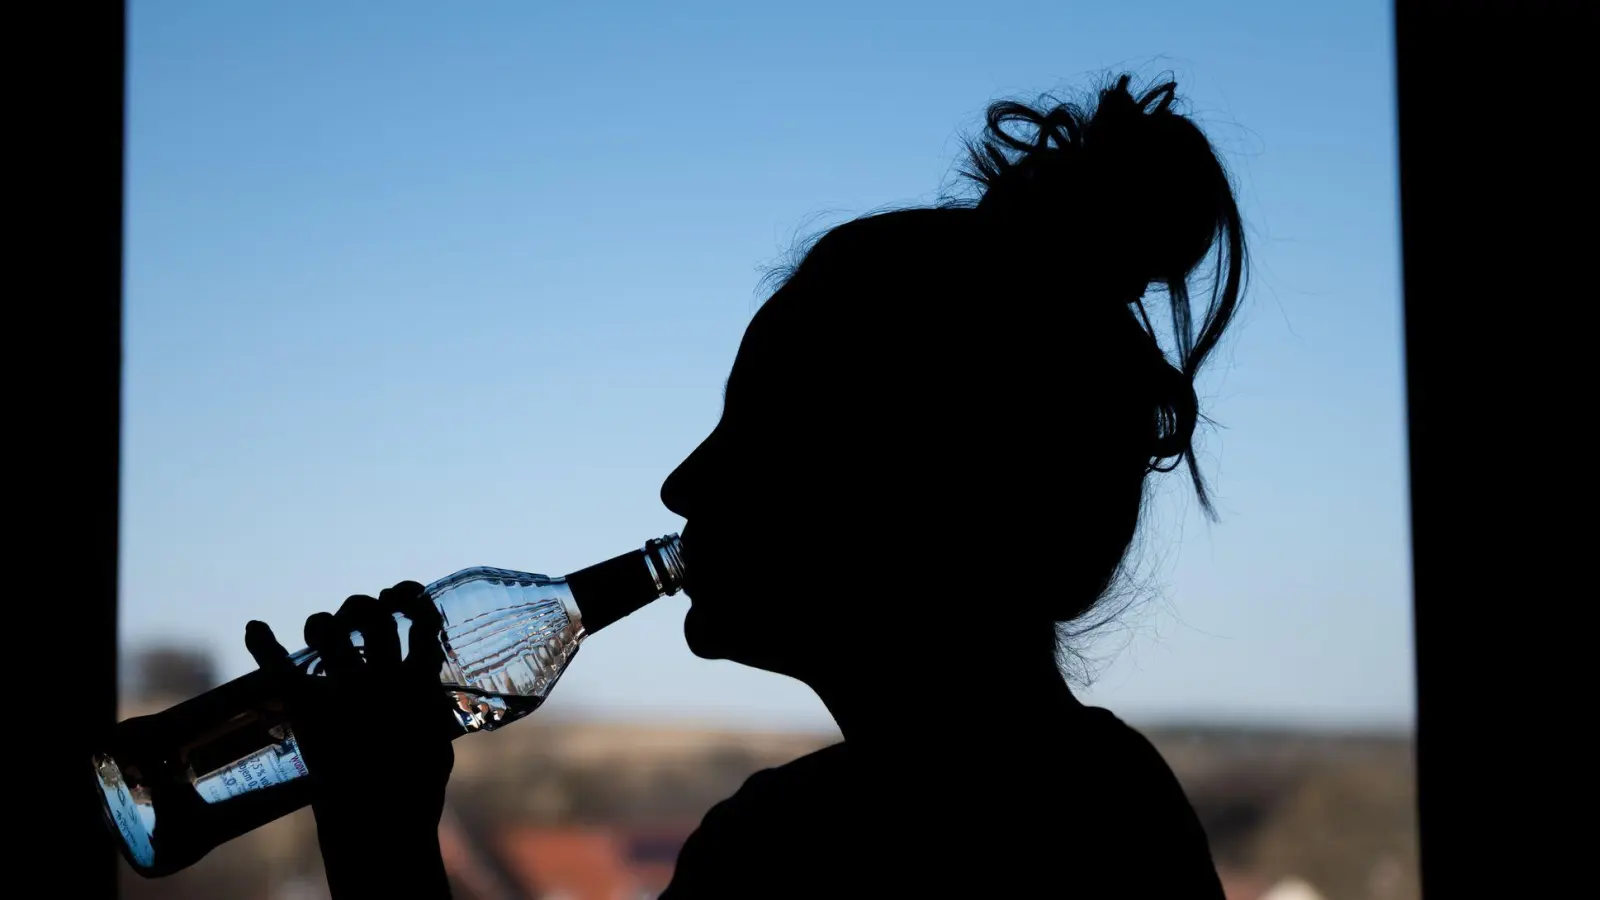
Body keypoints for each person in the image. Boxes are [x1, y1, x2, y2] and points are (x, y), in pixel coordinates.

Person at [247, 72, 1248, 897]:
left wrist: (380, 850)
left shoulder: (799, 856)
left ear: (904, 501)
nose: (682, 481)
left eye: (755, 433)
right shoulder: (1111, 809)